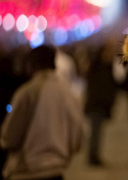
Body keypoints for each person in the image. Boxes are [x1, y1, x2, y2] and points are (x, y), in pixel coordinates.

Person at [0, 45, 84, 180]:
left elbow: (9, 136)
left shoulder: (27, 92)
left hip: (27, 170)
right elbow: (77, 135)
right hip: (57, 168)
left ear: (31, 64)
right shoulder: (68, 93)